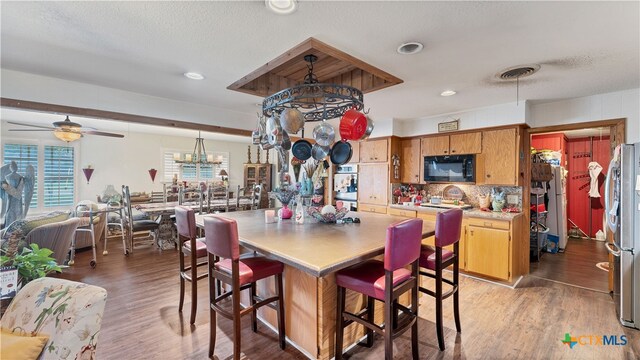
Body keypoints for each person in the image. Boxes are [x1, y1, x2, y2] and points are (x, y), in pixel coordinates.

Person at [2, 161, 25, 228]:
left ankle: (15, 231)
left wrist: (6, 187)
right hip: (12, 198)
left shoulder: (19, 177)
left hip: (14, 198)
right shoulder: (9, 177)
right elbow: (18, 192)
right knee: (12, 214)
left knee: (15, 214)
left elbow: (18, 192)